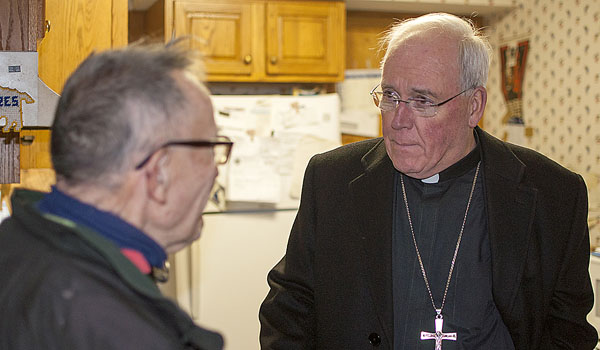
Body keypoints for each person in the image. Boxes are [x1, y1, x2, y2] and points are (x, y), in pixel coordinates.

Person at [259, 12, 597, 350]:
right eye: (390, 96)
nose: (398, 121)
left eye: (423, 100)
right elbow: (289, 308)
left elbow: (568, 330)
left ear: (473, 106)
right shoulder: (331, 178)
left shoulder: (554, 193)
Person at [0, 43, 233, 349]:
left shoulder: (19, 238)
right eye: (209, 148)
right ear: (158, 173)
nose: (215, 171)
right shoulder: (120, 329)